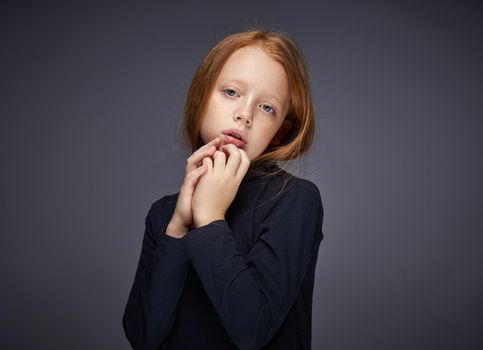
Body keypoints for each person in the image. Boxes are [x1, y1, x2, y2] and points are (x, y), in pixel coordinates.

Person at [122, 29, 324, 350]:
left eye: (267, 108)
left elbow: (253, 330)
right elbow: (143, 337)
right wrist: (177, 228)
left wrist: (211, 218)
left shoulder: (295, 200)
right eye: (231, 92)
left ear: (280, 132)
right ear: (200, 97)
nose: (244, 114)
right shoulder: (164, 213)